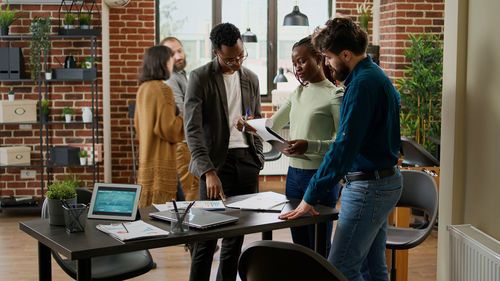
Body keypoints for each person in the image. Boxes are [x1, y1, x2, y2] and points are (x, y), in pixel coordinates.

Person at [279, 17, 403, 281]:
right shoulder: (377, 75)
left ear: (346, 54)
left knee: (338, 270)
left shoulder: (361, 85)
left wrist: (310, 196)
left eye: (329, 57)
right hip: (385, 181)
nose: (327, 64)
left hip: (368, 188)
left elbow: (342, 148)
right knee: (372, 268)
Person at [243, 36, 343, 253]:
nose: (297, 67)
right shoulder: (297, 92)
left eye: (302, 61)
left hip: (320, 176)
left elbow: (341, 142)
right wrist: (247, 125)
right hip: (294, 177)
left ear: (318, 59)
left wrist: (310, 145)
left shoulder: (334, 94)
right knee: (299, 245)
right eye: (294, 63)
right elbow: (271, 124)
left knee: (318, 246)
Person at [184, 23, 264, 281]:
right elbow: (192, 129)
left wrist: (257, 159)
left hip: (246, 163)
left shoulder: (251, 78)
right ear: (216, 52)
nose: (237, 62)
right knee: (205, 240)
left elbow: (257, 120)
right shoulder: (200, 77)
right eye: (230, 58)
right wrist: (208, 172)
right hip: (214, 166)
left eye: (241, 55)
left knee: (234, 241)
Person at [135, 45, 185, 207]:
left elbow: (138, 125)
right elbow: (168, 129)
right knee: (175, 212)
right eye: (170, 62)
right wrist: (184, 118)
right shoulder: (164, 89)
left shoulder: (143, 89)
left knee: (151, 212)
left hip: (146, 160)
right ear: (163, 63)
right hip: (162, 161)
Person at [161, 37, 200, 201]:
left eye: (179, 50)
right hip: (182, 144)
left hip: (188, 142)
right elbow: (181, 112)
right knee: (188, 189)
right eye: (172, 53)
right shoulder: (171, 77)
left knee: (194, 187)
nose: (178, 56)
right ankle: (187, 224)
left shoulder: (181, 75)